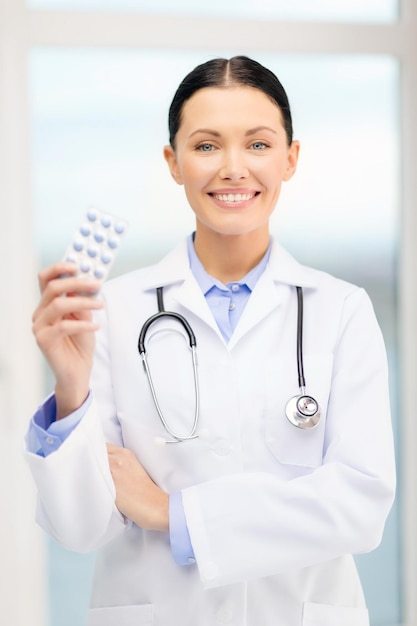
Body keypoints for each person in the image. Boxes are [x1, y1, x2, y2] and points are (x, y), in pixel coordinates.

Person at [26, 56, 396, 626]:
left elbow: (359, 506)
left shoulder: (341, 311)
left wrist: (172, 513)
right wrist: (71, 387)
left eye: (257, 144)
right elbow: (81, 528)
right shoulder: (112, 312)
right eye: (205, 146)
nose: (232, 168)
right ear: (173, 163)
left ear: (290, 159)